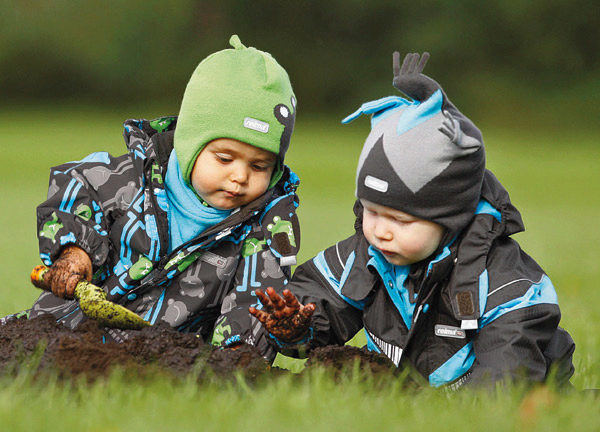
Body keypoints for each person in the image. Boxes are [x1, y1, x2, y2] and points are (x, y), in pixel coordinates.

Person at [250, 52, 575, 388]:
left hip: (517, 393)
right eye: (372, 212)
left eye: (401, 220)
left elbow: (509, 366)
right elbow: (319, 305)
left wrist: (476, 408)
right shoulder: (365, 254)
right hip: (414, 392)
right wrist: (294, 327)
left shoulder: (501, 281)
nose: (381, 231)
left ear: (451, 218)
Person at [11, 35, 301, 362]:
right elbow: (77, 187)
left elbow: (255, 301)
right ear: (190, 144)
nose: (240, 176)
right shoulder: (131, 178)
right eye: (224, 159)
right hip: (64, 331)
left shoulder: (266, 228)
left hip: (165, 356)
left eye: (259, 166)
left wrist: (237, 356)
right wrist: (74, 253)